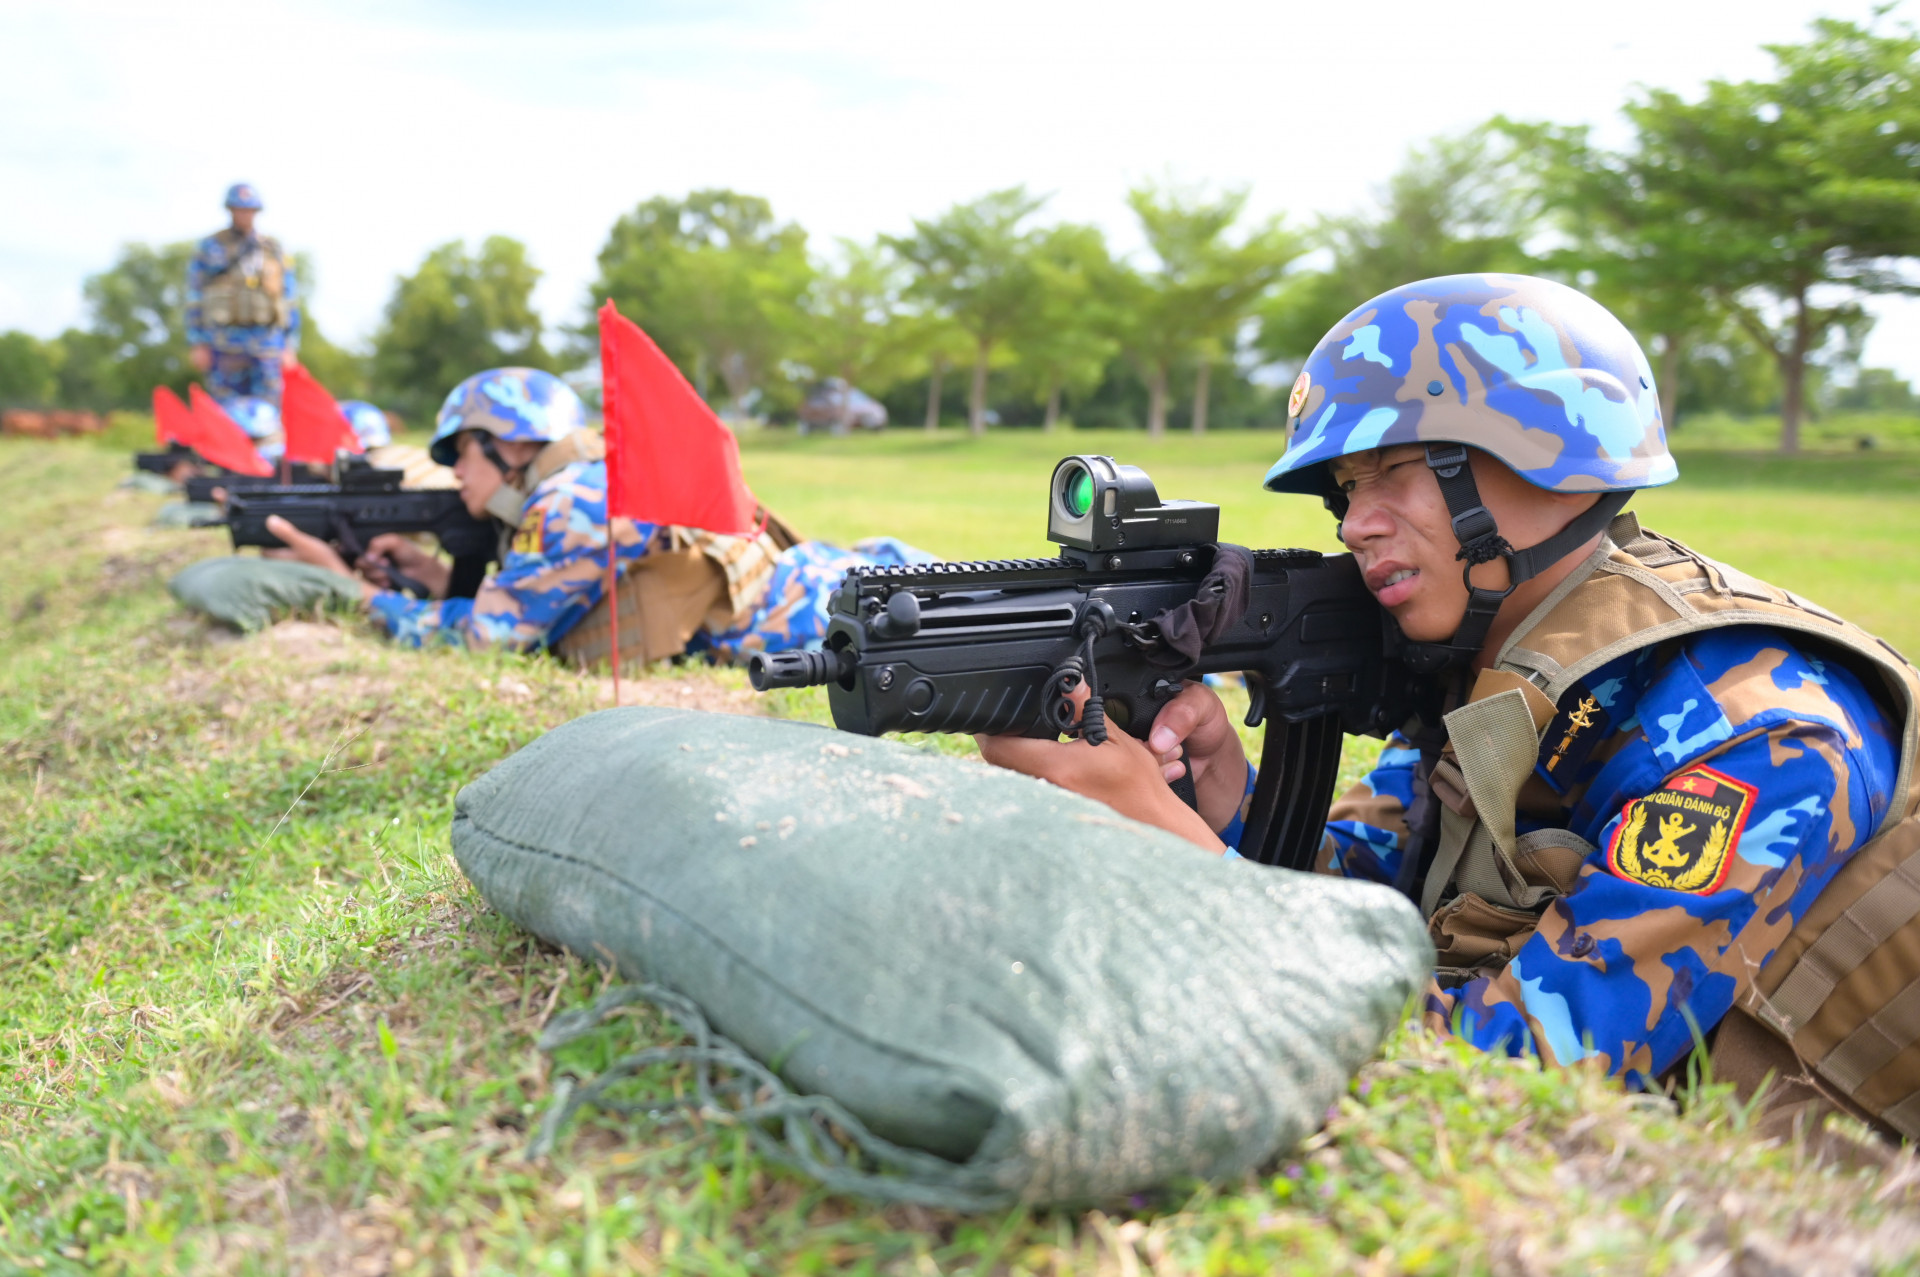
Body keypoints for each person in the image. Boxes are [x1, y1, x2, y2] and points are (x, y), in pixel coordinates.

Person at [981, 273, 1920, 1136]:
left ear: (1553, 454)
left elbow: (1508, 1076)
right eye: (1346, 490)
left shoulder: (1764, 737)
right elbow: (1393, 894)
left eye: (1396, 471)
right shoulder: (1503, 662)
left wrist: (1159, 832)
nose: (1355, 524)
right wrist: (1227, 796)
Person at [262, 367, 927, 656]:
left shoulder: (575, 501)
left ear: (511, 442)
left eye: (464, 450)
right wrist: (433, 579)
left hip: (844, 610)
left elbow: (491, 639)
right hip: (838, 588)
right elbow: (541, 601)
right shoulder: (579, 487)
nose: (456, 470)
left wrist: (346, 587)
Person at [185, 183, 300, 408]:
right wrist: (198, 342)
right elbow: (194, 297)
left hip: (267, 342)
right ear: (230, 210)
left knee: (270, 408)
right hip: (224, 342)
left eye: (249, 210)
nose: (244, 214)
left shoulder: (273, 249)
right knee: (226, 410)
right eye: (239, 209)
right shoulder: (209, 247)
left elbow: (289, 299)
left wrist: (290, 345)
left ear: (256, 212)